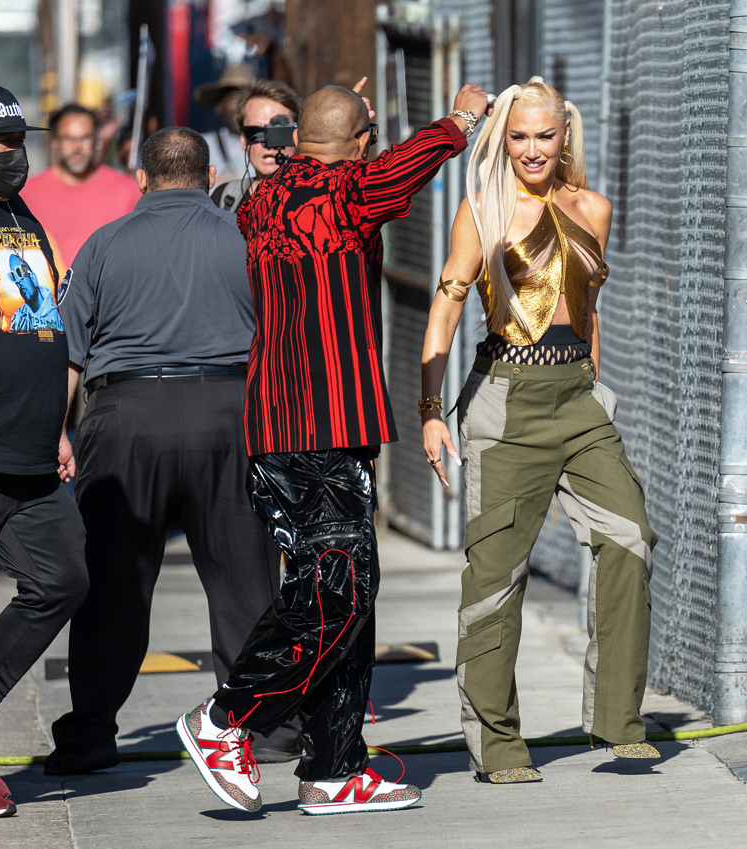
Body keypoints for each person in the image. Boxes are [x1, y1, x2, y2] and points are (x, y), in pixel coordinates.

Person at [175, 79, 493, 815]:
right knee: (335, 594)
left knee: (347, 593)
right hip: (314, 432)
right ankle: (225, 718)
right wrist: (464, 116)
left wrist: (350, 133)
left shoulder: (262, 201)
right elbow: (408, 162)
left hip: (291, 430)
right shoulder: (349, 192)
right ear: (356, 147)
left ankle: (335, 764)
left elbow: (343, 165)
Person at [419, 77, 659, 784]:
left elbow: (589, 311)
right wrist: (430, 412)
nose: (531, 149)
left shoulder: (593, 208)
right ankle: (497, 744)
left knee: (631, 538)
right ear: (505, 138)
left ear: (565, 136)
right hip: (503, 400)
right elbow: (446, 308)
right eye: (518, 136)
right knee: (496, 577)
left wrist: (595, 382)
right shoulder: (483, 209)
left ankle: (619, 721)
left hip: (577, 399)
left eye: (544, 136)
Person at [43, 126, 293, 776]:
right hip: (230, 416)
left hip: (126, 421)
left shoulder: (102, 245)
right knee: (247, 582)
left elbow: (67, 351)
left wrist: (54, 434)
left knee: (114, 583)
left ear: (142, 179)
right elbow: (280, 340)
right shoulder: (246, 239)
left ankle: (91, 733)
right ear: (210, 178)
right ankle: (263, 729)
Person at [0, 84, 89, 818]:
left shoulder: (20, 216)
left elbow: (37, 323)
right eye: (0, 147)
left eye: (19, 143)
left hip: (29, 450)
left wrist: (57, 424)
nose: (13, 158)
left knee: (61, 577)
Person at [20, 104, 141, 270]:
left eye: (85, 138)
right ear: (54, 141)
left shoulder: (127, 189)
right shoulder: (28, 194)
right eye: (69, 139)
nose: (77, 147)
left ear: (96, 139)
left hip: (111, 294)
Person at [211, 79, 301, 214]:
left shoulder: (321, 200)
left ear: (297, 137)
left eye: (279, 133)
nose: (268, 145)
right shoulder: (224, 200)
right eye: (256, 133)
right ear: (243, 139)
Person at [193, 64, 257, 186]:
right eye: (234, 99)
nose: (240, 107)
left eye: (245, 99)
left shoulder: (267, 147)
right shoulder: (200, 147)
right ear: (219, 106)